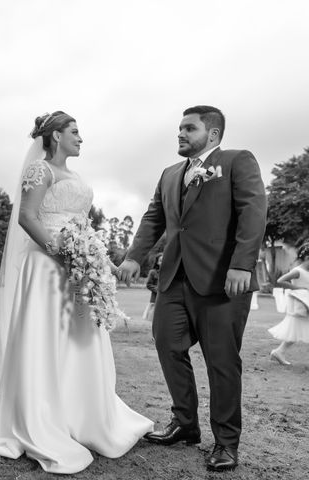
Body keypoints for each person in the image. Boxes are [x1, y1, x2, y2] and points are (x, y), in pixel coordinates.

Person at [0, 111, 153, 474]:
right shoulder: (41, 171)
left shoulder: (75, 176)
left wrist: (96, 257)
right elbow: (27, 217)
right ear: (56, 136)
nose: (81, 138)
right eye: (75, 132)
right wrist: (58, 249)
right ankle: (43, 416)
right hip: (47, 267)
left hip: (77, 269)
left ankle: (82, 415)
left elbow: (81, 225)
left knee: (80, 337)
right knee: (46, 339)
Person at [118, 105, 267, 472]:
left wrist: (241, 264)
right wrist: (135, 257)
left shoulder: (236, 161)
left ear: (212, 134)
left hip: (223, 282)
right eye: (179, 128)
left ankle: (226, 442)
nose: (180, 134)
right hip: (174, 279)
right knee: (167, 343)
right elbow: (154, 217)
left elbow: (253, 211)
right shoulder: (170, 174)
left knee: (221, 362)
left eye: (189, 128)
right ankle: (185, 424)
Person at [268, 243, 309, 365]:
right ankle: (278, 352)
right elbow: (280, 280)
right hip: (301, 304)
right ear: (307, 257)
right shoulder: (298, 271)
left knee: (295, 332)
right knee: (295, 331)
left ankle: (279, 352)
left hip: (306, 303)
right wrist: (297, 288)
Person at [142, 253, 162, 321]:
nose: (162, 262)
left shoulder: (169, 273)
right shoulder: (153, 272)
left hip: (166, 300)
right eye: (160, 260)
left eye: (164, 260)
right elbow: (148, 285)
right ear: (157, 262)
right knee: (154, 319)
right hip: (155, 299)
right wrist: (158, 290)